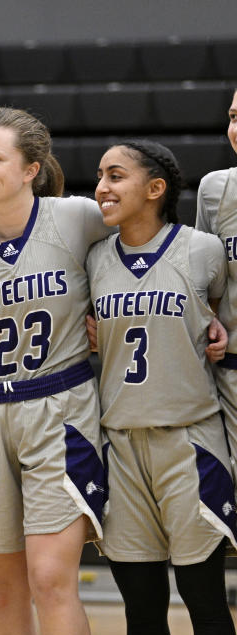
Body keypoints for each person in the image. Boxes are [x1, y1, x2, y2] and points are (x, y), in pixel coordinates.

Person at [0, 107, 111, 635]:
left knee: (51, 578)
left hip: (61, 411)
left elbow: (146, 249)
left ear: (32, 168)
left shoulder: (76, 217)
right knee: (0, 586)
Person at [89, 139, 236, 635]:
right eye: (101, 177)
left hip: (189, 443)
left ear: (155, 189)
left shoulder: (202, 249)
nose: (102, 188)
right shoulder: (92, 259)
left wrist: (214, 325)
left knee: (207, 605)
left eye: (115, 176)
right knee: (142, 613)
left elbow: (219, 309)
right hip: (122, 447)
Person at [196, 88, 237, 481]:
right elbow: (203, 278)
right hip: (230, 376)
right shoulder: (215, 190)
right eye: (234, 116)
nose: (235, 128)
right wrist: (210, 318)